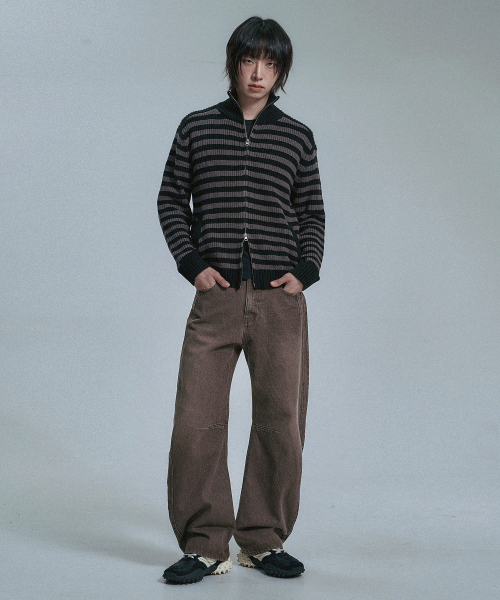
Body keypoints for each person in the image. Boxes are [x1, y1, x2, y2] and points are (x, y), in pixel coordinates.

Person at [157, 16, 325, 584]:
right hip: (218, 298)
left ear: (280, 72)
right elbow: (170, 200)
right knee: (196, 421)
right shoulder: (197, 128)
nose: (258, 73)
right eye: (250, 60)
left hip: (280, 301)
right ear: (233, 63)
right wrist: (192, 264)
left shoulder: (297, 136)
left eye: (270, 64)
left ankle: (262, 539)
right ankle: (205, 543)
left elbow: (311, 211)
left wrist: (305, 270)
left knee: (280, 420)